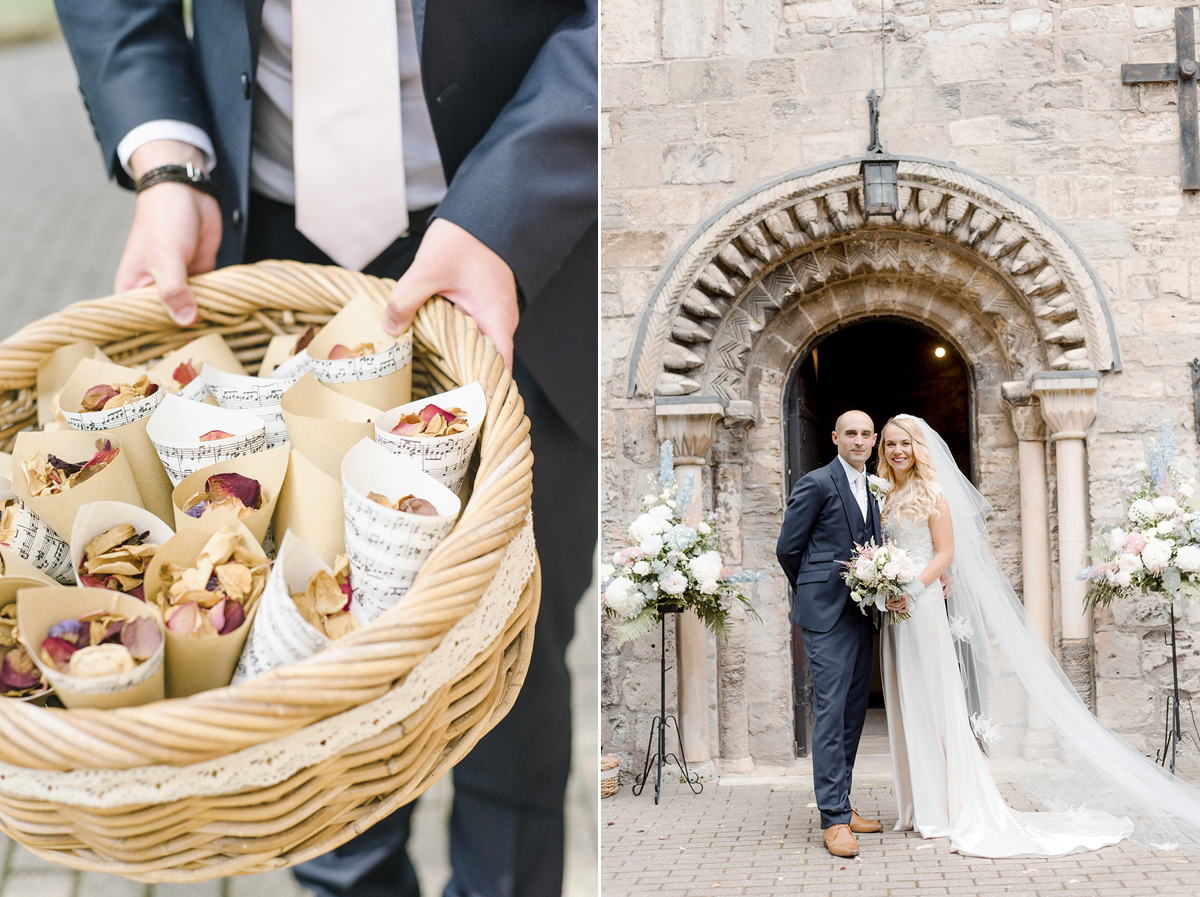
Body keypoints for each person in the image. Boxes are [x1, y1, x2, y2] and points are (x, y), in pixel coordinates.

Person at [53, 2, 597, 895]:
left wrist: (511, 206)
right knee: (298, 662)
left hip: (524, 244)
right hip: (261, 238)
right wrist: (165, 156)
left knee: (514, 660)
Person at [876, 414, 1200, 856]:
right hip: (895, 608)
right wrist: (883, 585)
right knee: (908, 698)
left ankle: (945, 806)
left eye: (905, 444)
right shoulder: (886, 494)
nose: (898, 451)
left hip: (923, 603)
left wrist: (911, 588)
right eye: (891, 443)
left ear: (918, 448)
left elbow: (946, 551)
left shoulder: (934, 492)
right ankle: (920, 804)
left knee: (934, 697)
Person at [775, 410, 885, 858]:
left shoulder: (872, 487)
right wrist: (816, 587)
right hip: (826, 615)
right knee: (829, 712)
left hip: (862, 613)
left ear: (873, 440)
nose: (858, 440)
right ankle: (833, 820)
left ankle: (843, 801)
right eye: (851, 433)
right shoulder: (817, 482)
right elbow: (788, 548)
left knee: (852, 714)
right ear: (836, 437)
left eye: (866, 434)